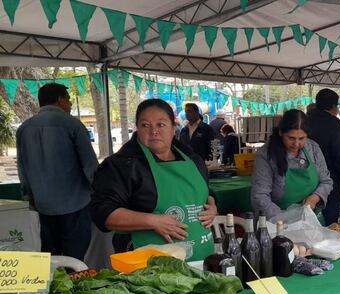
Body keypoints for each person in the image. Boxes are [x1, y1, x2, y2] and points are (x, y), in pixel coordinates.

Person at [91, 99, 217, 260]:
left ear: (173, 128)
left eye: (161, 125)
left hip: (202, 258)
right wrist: (153, 221)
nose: (154, 132)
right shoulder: (121, 165)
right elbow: (103, 213)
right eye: (145, 125)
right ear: (137, 128)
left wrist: (212, 205)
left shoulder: (193, 159)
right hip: (147, 270)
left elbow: (206, 191)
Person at [16, 83, 98, 260]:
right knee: (75, 256)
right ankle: (74, 286)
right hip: (75, 203)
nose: (70, 104)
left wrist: (29, 195)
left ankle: (51, 286)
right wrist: (100, 191)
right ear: (60, 100)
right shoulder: (73, 125)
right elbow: (90, 165)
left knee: (49, 254)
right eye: (68, 100)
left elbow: (22, 166)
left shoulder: (24, 128)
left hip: (42, 204)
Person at [251, 109, 333, 220]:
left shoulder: (313, 148)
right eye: (291, 138)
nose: (296, 144)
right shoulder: (266, 155)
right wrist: (285, 219)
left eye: (302, 138)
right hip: (278, 222)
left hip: (311, 219)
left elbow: (326, 181)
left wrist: (315, 197)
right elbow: (260, 196)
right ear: (281, 132)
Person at [307, 89, 340, 225]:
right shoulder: (334, 126)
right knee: (329, 222)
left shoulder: (305, 122)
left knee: (305, 221)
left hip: (305, 179)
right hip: (330, 181)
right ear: (334, 106)